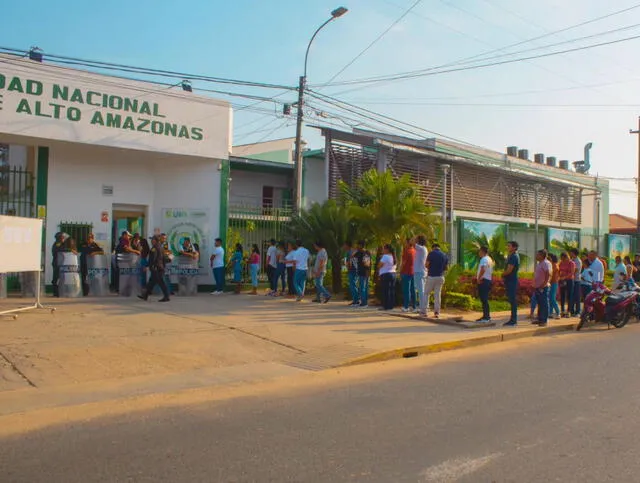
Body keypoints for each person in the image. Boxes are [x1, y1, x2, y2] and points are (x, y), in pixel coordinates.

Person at [137, 236, 170, 302]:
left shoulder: (154, 248)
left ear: (155, 240)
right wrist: (163, 266)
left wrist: (148, 266)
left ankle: (166, 297)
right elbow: (164, 258)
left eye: (152, 239)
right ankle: (145, 295)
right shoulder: (161, 247)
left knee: (161, 283)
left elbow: (152, 259)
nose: (151, 241)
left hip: (156, 268)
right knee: (151, 282)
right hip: (159, 267)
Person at [425, 243, 448, 319]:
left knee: (426, 293)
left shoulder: (431, 253)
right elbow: (446, 268)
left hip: (432, 276)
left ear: (433, 248)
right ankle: (437, 312)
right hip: (440, 277)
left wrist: (430, 268)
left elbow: (426, 264)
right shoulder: (444, 255)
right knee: (437, 295)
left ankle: (424, 311)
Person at [501, 241, 520, 326]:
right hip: (510, 280)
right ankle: (513, 319)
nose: (507, 247)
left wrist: (502, 274)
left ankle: (513, 320)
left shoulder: (514, 256)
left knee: (512, 300)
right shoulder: (511, 256)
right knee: (511, 300)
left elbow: (509, 270)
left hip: (511, 280)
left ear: (514, 247)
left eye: (509, 246)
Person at [533, 249, 552, 327]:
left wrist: (544, 284)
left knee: (544, 303)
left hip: (543, 287)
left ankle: (544, 320)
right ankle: (540, 319)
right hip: (538, 286)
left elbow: (549, 274)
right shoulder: (540, 263)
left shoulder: (546, 263)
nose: (536, 256)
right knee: (540, 303)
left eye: (538, 254)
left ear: (542, 255)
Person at [475, 246, 494, 323]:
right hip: (487, 280)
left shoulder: (484, 259)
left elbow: (483, 269)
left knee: (484, 299)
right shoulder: (489, 258)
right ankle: (485, 316)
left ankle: (486, 317)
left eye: (479, 251)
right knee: (484, 299)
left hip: (483, 280)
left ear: (482, 251)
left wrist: (479, 278)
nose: (479, 253)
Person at [378, 244, 397, 311]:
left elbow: (380, 265)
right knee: (391, 290)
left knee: (385, 291)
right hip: (393, 274)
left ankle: (385, 306)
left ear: (387, 249)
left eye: (384, 249)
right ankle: (391, 306)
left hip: (386, 274)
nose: (383, 250)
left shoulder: (385, 256)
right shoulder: (393, 256)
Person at [413, 235, 428, 316]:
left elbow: (412, 242)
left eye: (417, 239)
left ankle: (423, 308)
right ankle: (425, 307)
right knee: (423, 291)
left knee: (421, 291)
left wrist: (415, 238)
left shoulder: (420, 248)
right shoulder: (424, 248)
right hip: (422, 271)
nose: (415, 240)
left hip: (419, 272)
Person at [354, 240, 372, 309]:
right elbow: (353, 256)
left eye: (358, 245)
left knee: (363, 288)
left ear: (361, 245)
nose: (357, 246)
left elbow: (367, 263)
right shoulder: (359, 252)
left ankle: (364, 303)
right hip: (362, 272)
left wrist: (364, 262)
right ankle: (364, 302)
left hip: (364, 272)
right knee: (363, 288)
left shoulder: (365, 253)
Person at [400, 238, 416, 313]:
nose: (404, 244)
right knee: (412, 290)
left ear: (407, 243)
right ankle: (414, 306)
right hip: (413, 272)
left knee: (406, 290)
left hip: (406, 272)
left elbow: (403, 263)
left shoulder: (406, 251)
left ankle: (406, 306)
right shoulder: (414, 251)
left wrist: (400, 271)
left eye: (405, 242)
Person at [558, 252, 575, 318]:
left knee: (569, 296)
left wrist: (564, 277)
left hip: (569, 280)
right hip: (562, 280)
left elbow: (572, 272)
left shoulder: (571, 263)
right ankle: (562, 310)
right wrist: (560, 276)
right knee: (562, 296)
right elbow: (559, 270)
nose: (562, 260)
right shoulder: (561, 263)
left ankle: (569, 311)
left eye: (563, 259)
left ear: (567, 257)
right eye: (561, 259)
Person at [344, 240, 359, 306]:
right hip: (356, 270)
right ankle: (356, 300)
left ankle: (356, 301)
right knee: (354, 285)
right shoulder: (354, 251)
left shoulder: (349, 252)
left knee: (353, 285)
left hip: (352, 270)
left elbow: (349, 262)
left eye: (344, 245)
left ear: (347, 245)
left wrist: (348, 268)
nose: (343, 246)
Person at [51, 232, 65, 297]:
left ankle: (60, 292)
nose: (63, 238)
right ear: (59, 238)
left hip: (60, 263)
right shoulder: (57, 244)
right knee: (56, 278)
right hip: (57, 263)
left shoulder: (61, 244)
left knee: (61, 278)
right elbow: (59, 251)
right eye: (62, 237)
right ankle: (56, 293)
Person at [569, 248, 582, 316]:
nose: (570, 253)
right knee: (572, 296)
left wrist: (568, 273)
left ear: (574, 253)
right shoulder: (572, 260)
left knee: (577, 296)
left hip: (577, 280)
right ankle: (572, 311)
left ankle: (578, 311)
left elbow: (575, 270)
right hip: (572, 280)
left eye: (571, 252)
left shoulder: (578, 261)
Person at [548, 253, 561, 320]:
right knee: (550, 299)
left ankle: (558, 312)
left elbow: (551, 274)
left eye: (549, 258)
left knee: (552, 298)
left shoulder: (555, 265)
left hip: (554, 283)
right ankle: (550, 313)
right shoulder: (551, 264)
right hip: (551, 283)